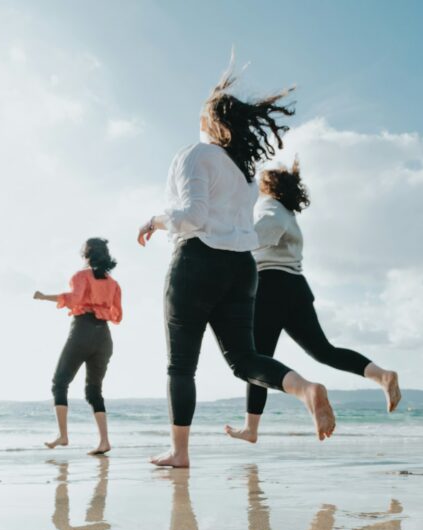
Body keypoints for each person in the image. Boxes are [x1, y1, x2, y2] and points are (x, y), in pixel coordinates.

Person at [137, 67, 335, 468]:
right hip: (242, 269)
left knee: (181, 365)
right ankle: (305, 388)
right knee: (244, 359)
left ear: (210, 122)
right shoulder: (244, 174)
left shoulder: (195, 155)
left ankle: (179, 452)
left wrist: (155, 221)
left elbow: (192, 216)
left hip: (197, 261)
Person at [225, 160, 401, 443]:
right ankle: (382, 376)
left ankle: (252, 427)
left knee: (258, 360)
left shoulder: (270, 207)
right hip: (295, 288)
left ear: (269, 187)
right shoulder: (289, 214)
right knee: (324, 351)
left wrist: (231, 239)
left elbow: (262, 232)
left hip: (269, 286)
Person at [34, 238, 122, 455]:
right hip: (104, 337)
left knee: (59, 382)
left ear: (86, 254)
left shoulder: (81, 276)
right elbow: (117, 314)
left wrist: (44, 297)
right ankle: (104, 441)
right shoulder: (113, 284)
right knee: (94, 391)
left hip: (82, 332)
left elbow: (74, 299)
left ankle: (63, 435)